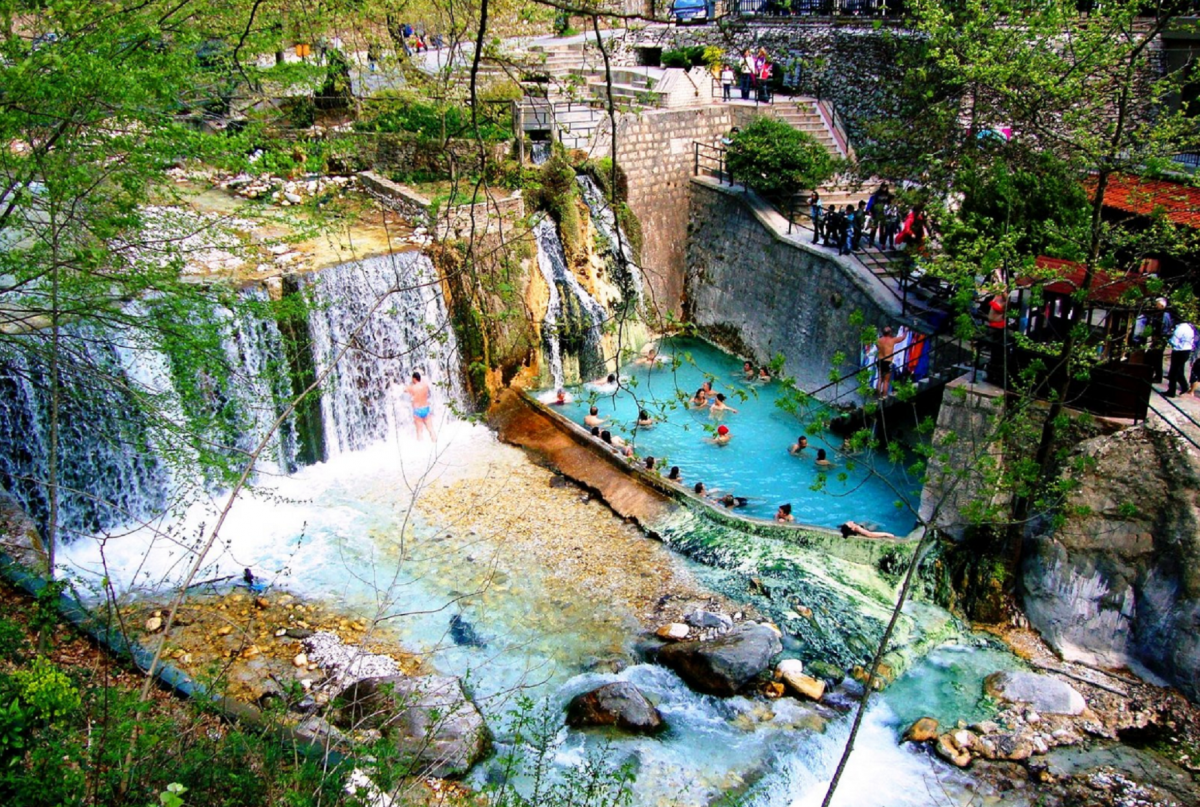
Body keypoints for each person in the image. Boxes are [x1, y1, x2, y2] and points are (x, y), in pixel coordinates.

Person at [1166, 317, 1196, 397]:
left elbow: (1174, 342)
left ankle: (1172, 391)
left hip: (1179, 351)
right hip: (1187, 350)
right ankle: (1184, 386)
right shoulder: (1189, 328)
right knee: (1179, 370)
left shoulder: (1179, 329)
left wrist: (1169, 339)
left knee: (1173, 372)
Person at [405, 371, 437, 441]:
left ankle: (420, 445)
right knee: (430, 428)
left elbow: (404, 390)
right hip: (426, 409)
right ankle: (435, 441)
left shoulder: (412, 388)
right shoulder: (425, 385)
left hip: (418, 410)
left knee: (419, 431)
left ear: (414, 379)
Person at [876, 326, 901, 397]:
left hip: (880, 360)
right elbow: (902, 338)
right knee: (886, 381)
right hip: (887, 361)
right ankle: (884, 396)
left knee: (880, 379)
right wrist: (905, 332)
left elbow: (877, 347)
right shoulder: (892, 340)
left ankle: (878, 395)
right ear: (890, 333)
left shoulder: (879, 340)